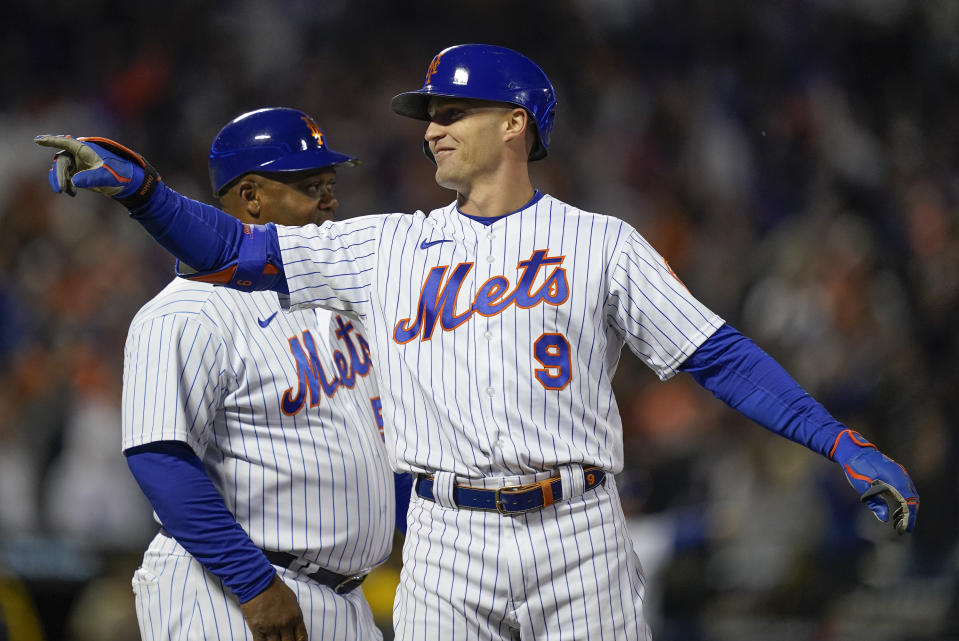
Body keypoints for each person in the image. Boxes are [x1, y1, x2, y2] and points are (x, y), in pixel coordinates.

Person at [36, 44, 919, 641]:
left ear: (516, 123)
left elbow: (717, 355)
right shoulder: (384, 245)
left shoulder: (601, 241)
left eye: (453, 110)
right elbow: (231, 249)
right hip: (446, 540)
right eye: (429, 112)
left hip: (579, 532)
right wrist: (145, 192)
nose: (430, 126)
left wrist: (834, 439)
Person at [89, 108, 406, 641]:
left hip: (344, 598)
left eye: (330, 183)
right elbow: (160, 459)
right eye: (309, 185)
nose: (329, 200)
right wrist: (253, 584)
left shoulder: (332, 298)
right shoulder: (184, 313)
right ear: (251, 197)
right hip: (230, 590)